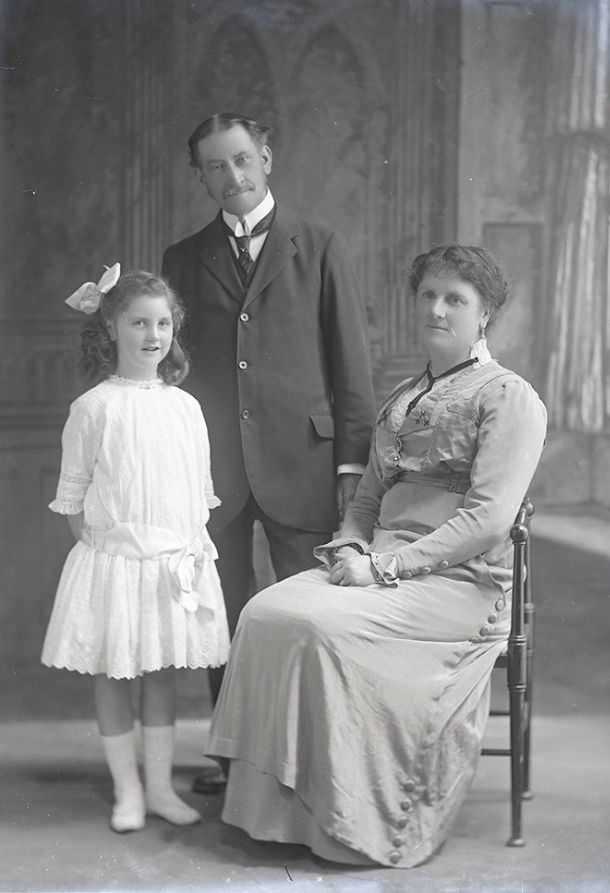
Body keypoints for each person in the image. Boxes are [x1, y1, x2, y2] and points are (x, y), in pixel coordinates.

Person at [206, 245, 548, 868]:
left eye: (455, 300)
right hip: (379, 564)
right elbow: (366, 498)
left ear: (485, 316)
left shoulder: (509, 397)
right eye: (428, 296)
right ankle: (284, 812)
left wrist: (386, 568)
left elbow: (488, 520)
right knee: (262, 611)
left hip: (459, 584)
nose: (437, 310)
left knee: (316, 625)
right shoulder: (401, 398)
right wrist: (353, 547)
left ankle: (348, 819)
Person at [162, 113, 376, 793]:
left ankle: (307, 758)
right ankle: (237, 757)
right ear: (200, 176)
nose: (232, 177)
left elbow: (352, 365)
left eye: (242, 160)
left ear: (267, 159)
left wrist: (350, 467)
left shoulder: (319, 244)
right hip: (214, 470)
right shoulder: (182, 258)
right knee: (220, 614)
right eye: (215, 167)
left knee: (305, 615)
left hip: (305, 464)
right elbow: (173, 369)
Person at [41, 264, 229, 833]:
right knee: (116, 673)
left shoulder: (184, 406)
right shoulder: (94, 407)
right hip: (115, 564)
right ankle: (127, 792)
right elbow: (72, 497)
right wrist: (107, 559)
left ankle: (159, 788)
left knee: (161, 674)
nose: (153, 336)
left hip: (174, 564)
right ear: (111, 330)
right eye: (139, 323)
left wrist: (191, 552)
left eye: (164, 323)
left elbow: (198, 492)